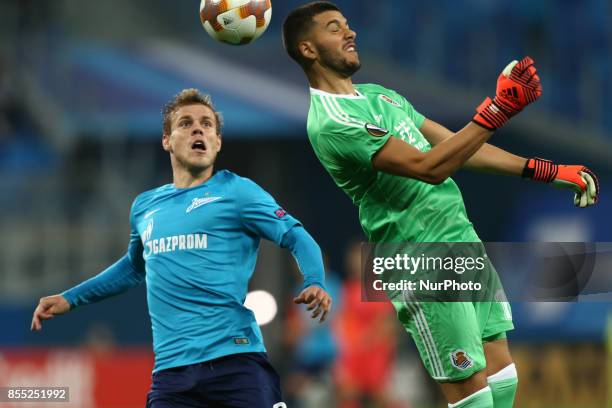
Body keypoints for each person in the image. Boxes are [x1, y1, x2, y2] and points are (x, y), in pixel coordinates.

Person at [282, 2, 599, 408]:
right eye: (333, 28)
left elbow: (454, 147)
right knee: (473, 396)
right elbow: (428, 166)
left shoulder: (381, 96)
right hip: (419, 256)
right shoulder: (331, 122)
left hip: (460, 240)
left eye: (347, 24)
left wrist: (544, 169)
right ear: (308, 49)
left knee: (503, 378)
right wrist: (497, 110)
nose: (350, 33)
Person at [30, 88, 332, 408]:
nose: (197, 129)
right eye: (185, 123)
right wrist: (70, 298)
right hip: (172, 376)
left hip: (236, 364)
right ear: (167, 140)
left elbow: (295, 234)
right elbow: (134, 267)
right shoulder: (145, 207)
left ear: (217, 142)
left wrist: (314, 279)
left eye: (206, 124)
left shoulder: (238, 192)